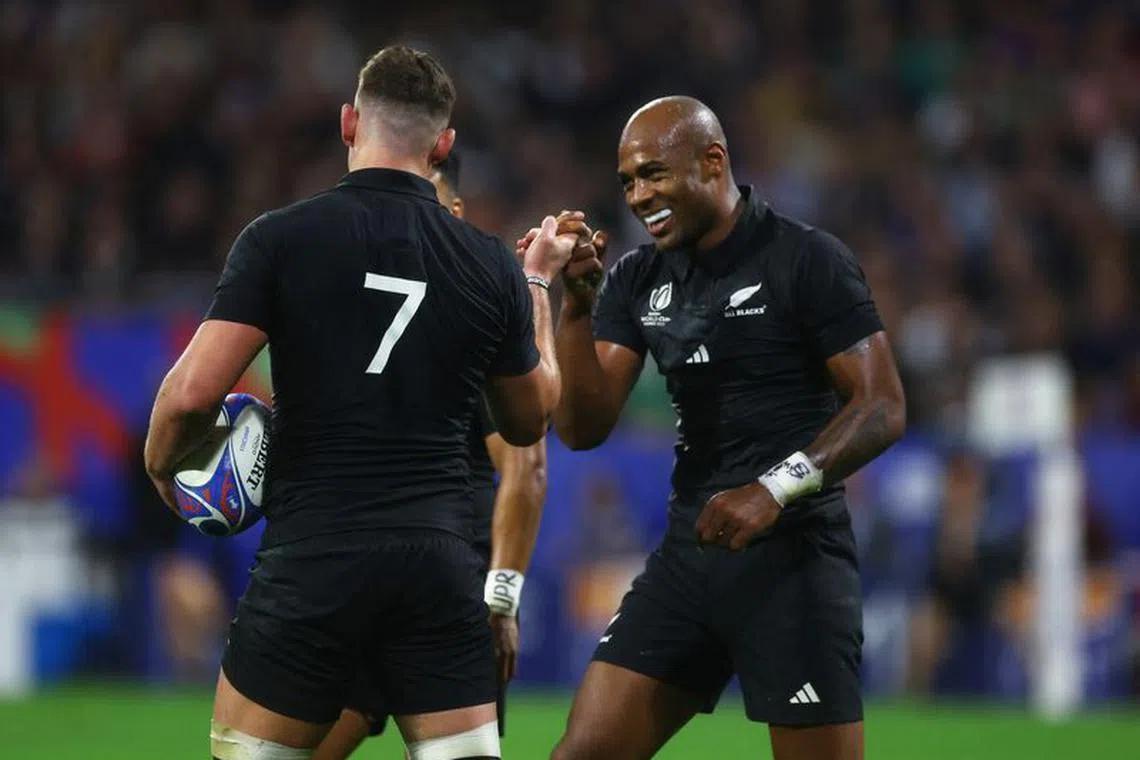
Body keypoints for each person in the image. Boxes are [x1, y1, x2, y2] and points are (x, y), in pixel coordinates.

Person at [144, 46, 577, 760]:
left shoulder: (279, 240)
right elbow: (531, 418)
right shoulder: (488, 261)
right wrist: (536, 287)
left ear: (349, 124)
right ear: (443, 146)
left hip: (313, 559)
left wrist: (164, 468)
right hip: (437, 569)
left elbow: (192, 393)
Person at [547, 96, 907, 760]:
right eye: (627, 180)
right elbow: (582, 426)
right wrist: (575, 308)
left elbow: (881, 405)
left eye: (653, 173)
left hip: (795, 561)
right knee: (581, 754)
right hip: (692, 555)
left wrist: (772, 490)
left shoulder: (807, 259)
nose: (637, 195)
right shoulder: (636, 277)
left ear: (713, 162)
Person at [313, 155, 549, 760]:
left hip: (451, 588)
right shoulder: (373, 313)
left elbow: (526, 463)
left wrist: (499, 599)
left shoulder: (476, 311)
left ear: (455, 211)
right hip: (370, 569)